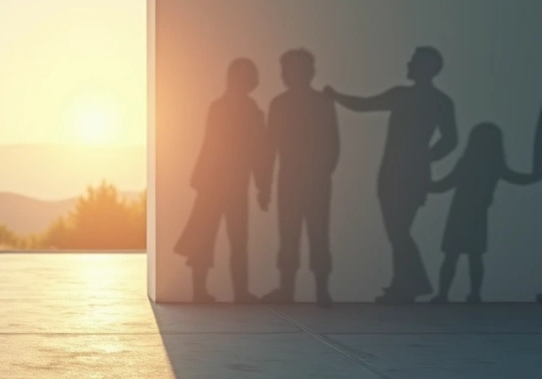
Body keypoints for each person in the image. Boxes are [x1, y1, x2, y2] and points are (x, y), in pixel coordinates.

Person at [326, 46, 458, 304]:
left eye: (413, 61)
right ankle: (406, 284)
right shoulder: (409, 96)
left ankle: (408, 285)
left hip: (409, 175)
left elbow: (451, 139)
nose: (408, 64)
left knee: (398, 231)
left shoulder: (432, 101)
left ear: (425, 67)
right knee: (397, 231)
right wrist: (337, 97)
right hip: (393, 173)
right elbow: (364, 105)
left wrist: (425, 157)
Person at [174, 58, 271, 303]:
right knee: (219, 238)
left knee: (215, 237)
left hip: (219, 183)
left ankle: (214, 291)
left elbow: (255, 152)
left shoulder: (227, 108)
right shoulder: (247, 111)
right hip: (222, 183)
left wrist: (262, 184)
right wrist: (262, 185)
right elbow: (256, 152)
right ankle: (231, 292)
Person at [261, 49, 340, 307]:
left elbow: (332, 144)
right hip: (300, 180)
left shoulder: (301, 104)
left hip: (304, 180)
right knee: (299, 236)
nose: (286, 75)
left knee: (309, 235)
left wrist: (265, 186)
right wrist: (265, 185)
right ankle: (299, 290)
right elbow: (270, 147)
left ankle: (315, 291)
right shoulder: (291, 104)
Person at [428, 123, 536, 304]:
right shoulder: (491, 165)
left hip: (463, 214)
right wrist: (534, 177)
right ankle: (468, 294)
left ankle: (448, 294)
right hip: (472, 215)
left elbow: (444, 185)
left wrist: (425, 185)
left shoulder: (471, 163)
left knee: (457, 256)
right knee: (470, 256)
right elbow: (518, 178)